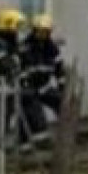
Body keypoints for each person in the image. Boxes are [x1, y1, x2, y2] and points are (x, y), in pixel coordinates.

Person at [21, 13, 66, 141]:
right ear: (34, 30)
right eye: (41, 31)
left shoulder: (52, 48)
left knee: (62, 102)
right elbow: (21, 71)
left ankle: (66, 133)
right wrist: (26, 85)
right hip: (28, 89)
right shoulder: (25, 48)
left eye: (46, 32)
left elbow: (59, 69)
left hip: (44, 87)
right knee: (35, 111)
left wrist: (62, 85)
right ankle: (40, 138)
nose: (43, 34)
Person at [0, 8, 25, 153]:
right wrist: (15, 66)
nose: (17, 31)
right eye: (16, 26)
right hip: (0, 87)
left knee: (8, 118)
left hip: (9, 86)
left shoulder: (10, 43)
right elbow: (4, 63)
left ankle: (3, 147)